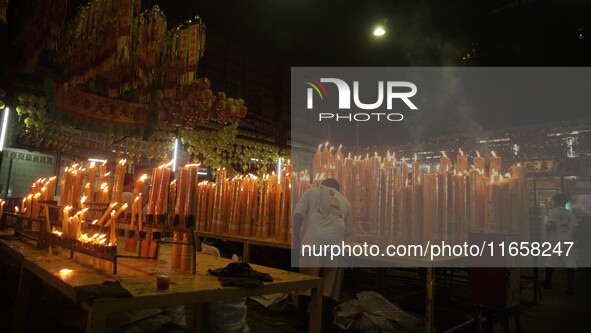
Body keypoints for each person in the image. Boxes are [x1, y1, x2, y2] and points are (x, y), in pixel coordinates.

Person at [292, 178, 353, 331]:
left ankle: (302, 319)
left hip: (313, 241)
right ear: (338, 189)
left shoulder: (310, 192)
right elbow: (348, 231)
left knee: (307, 281)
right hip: (335, 244)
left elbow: (297, 215)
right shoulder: (344, 200)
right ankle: (322, 322)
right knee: (329, 285)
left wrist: (296, 239)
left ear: (322, 184)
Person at [544, 192, 578, 295]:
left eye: (553, 201)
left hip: (556, 240)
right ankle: (570, 288)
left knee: (551, 261)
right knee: (570, 263)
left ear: (557, 202)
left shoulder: (553, 212)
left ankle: (548, 283)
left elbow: (552, 226)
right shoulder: (571, 214)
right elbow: (575, 230)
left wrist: (547, 229)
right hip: (568, 240)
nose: (552, 203)